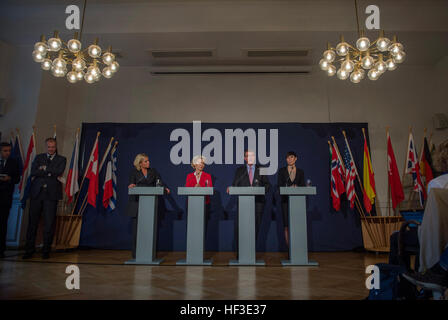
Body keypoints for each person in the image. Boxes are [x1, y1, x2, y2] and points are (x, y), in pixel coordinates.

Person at [23, 138, 66, 259]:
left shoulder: (61, 159)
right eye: (49, 147)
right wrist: (47, 172)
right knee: (32, 223)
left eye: (53, 147)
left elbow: (58, 171)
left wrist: (44, 169)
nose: (51, 149)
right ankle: (29, 250)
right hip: (37, 193)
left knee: (49, 223)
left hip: (51, 195)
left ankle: (46, 250)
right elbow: (34, 172)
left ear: (56, 147)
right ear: (45, 146)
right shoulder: (38, 157)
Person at [127, 153, 169, 259]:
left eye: (148, 161)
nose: (148, 162)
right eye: (146, 161)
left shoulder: (153, 171)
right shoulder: (134, 172)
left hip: (150, 206)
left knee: (150, 230)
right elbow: (132, 184)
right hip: (137, 205)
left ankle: (149, 254)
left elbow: (159, 183)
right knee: (137, 231)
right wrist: (132, 185)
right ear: (140, 163)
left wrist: (164, 188)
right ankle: (136, 255)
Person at [228, 150, 271, 237]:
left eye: (252, 156)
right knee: (243, 226)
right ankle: (243, 247)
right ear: (245, 158)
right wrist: (231, 188)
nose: (250, 158)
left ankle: (252, 247)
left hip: (258, 202)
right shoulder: (240, 170)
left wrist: (260, 190)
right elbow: (235, 184)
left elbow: (267, 185)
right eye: (248, 156)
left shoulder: (262, 169)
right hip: (244, 203)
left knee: (256, 226)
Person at [277, 151, 305, 246]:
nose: (289, 159)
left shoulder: (300, 172)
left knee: (297, 225)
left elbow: (303, 186)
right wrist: (288, 188)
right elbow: (279, 185)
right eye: (288, 158)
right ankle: (289, 248)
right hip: (285, 201)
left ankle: (297, 246)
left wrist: (297, 187)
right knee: (286, 225)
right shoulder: (282, 171)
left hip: (297, 202)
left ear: (296, 158)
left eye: (291, 157)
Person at [0, 142, 20, 258]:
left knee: (2, 224)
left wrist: (9, 179)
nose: (8, 153)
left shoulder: (13, 162)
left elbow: (17, 178)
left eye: (9, 150)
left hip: (5, 197)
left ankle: (1, 250)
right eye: (5, 151)